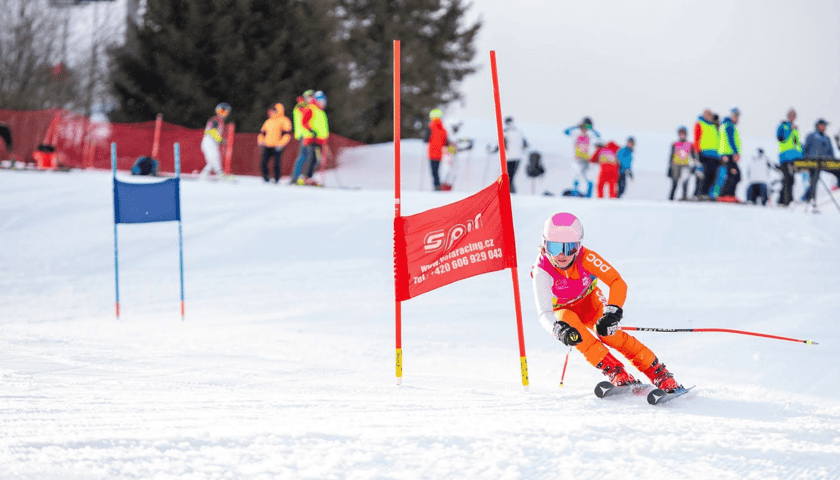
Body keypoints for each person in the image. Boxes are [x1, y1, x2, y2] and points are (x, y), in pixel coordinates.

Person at [531, 213, 683, 392]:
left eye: (570, 248)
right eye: (555, 248)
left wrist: (612, 313)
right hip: (563, 309)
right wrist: (558, 330)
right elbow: (544, 313)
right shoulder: (542, 271)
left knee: (610, 334)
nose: (562, 255)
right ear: (545, 245)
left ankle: (659, 374)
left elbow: (616, 282)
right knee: (577, 335)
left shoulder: (586, 257)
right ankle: (616, 372)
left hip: (589, 300)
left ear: (578, 246)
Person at [488, 116, 529, 194]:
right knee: (511, 176)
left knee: (508, 176)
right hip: (518, 157)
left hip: (508, 157)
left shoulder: (504, 132)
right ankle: (511, 192)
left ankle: (509, 192)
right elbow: (525, 145)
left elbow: (499, 145)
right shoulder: (519, 131)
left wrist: (491, 151)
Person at [296, 91, 330, 186]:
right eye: (321, 101)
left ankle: (310, 177)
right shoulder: (311, 109)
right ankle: (305, 177)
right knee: (312, 158)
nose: (323, 104)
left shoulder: (321, 113)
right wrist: (311, 130)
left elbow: (323, 127)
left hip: (320, 140)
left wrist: (325, 138)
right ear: (317, 101)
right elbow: (304, 122)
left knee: (317, 160)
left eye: (324, 102)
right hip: (312, 139)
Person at [564, 117, 601, 198]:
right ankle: (575, 192)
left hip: (587, 159)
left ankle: (588, 194)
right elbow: (566, 132)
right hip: (577, 159)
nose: (584, 129)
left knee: (587, 176)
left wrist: (592, 129)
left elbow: (598, 136)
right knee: (576, 174)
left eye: (586, 127)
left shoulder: (590, 135)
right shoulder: (576, 134)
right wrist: (576, 126)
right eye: (583, 127)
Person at [801, 119, 836, 202]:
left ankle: (837, 188)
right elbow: (805, 149)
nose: (824, 127)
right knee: (814, 179)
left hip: (824, 162)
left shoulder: (827, 138)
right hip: (812, 162)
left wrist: (832, 162)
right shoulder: (811, 136)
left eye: (825, 126)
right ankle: (810, 199)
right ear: (817, 126)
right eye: (822, 125)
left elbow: (831, 153)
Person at [257, 103, 292, 183]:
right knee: (263, 163)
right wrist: (261, 141)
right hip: (267, 145)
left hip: (277, 146)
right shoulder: (268, 121)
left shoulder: (285, 120)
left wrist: (281, 144)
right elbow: (262, 133)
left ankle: (277, 179)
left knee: (276, 164)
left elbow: (287, 134)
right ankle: (266, 178)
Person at [776, 108, 802, 205]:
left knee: (790, 179)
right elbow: (781, 138)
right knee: (787, 179)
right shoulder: (782, 126)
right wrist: (790, 130)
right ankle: (788, 201)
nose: (792, 117)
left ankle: (782, 200)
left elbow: (797, 144)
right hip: (785, 157)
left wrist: (801, 156)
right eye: (790, 115)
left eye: (793, 115)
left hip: (794, 158)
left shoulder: (796, 129)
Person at [693, 109, 720, 199]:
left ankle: (707, 194)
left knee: (713, 176)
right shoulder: (700, 124)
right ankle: (699, 194)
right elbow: (696, 138)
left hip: (715, 155)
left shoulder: (714, 126)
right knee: (704, 175)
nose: (709, 116)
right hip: (704, 153)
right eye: (707, 114)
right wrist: (697, 152)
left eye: (710, 114)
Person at [717, 108, 742, 202]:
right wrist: (736, 152)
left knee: (734, 175)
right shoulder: (729, 126)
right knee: (733, 174)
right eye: (735, 116)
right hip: (728, 154)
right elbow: (731, 140)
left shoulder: (726, 125)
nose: (737, 118)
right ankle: (724, 195)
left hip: (727, 154)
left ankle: (730, 194)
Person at [200, 102, 230, 180]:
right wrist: (221, 140)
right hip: (209, 141)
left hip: (211, 142)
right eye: (221, 111)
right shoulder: (216, 119)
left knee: (213, 159)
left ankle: (204, 174)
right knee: (215, 158)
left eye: (225, 112)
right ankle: (220, 174)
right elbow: (212, 131)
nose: (223, 114)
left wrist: (219, 140)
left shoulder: (218, 120)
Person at [290, 90, 314, 184]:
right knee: (304, 156)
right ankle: (296, 177)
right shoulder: (301, 106)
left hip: (304, 134)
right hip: (304, 134)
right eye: (310, 96)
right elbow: (305, 118)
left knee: (305, 156)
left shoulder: (302, 105)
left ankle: (297, 177)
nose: (311, 99)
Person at [424, 108, 450, 191]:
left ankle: (436, 186)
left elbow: (425, 139)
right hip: (439, 153)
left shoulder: (430, 127)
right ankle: (437, 185)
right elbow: (446, 142)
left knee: (433, 171)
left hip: (432, 152)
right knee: (437, 170)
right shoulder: (444, 130)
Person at [668, 126, 696, 201]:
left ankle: (684, 197)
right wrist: (669, 167)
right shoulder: (674, 144)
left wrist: (694, 165)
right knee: (675, 182)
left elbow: (693, 156)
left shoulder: (690, 144)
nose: (682, 135)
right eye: (681, 134)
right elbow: (671, 156)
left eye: (684, 134)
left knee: (685, 182)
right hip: (676, 165)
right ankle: (671, 198)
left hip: (685, 165)